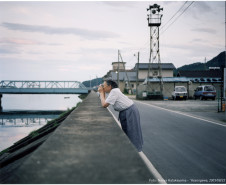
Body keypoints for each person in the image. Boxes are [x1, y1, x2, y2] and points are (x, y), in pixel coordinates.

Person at [98, 79, 143, 152]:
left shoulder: (114, 91)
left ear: (109, 86)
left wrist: (101, 92)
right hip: (127, 111)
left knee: (132, 132)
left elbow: (104, 104)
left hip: (129, 111)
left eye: (104, 86)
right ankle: (131, 150)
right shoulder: (114, 91)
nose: (103, 87)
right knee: (127, 131)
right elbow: (105, 102)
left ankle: (135, 151)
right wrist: (102, 92)